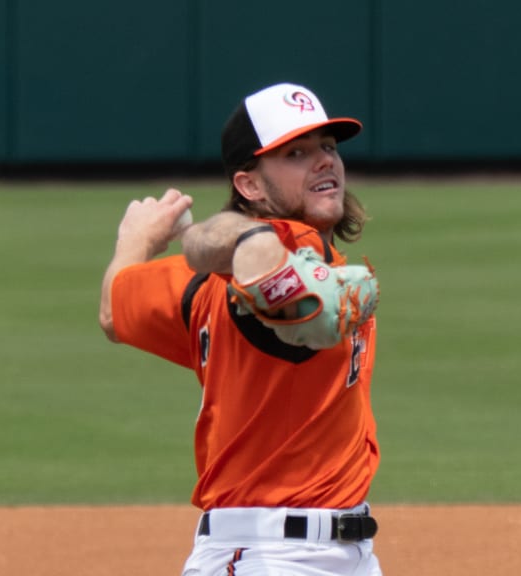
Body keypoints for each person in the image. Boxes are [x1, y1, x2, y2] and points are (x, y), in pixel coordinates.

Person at [99, 82, 382, 576]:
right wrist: (253, 245)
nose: (324, 162)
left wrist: (135, 240)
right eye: (295, 153)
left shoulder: (202, 283)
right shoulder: (282, 251)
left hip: (338, 555)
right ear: (249, 186)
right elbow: (232, 244)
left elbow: (113, 311)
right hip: (270, 557)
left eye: (328, 147)